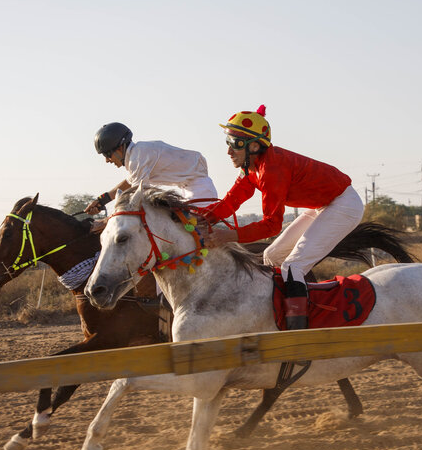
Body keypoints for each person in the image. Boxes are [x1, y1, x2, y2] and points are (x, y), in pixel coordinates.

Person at [202, 105, 365, 330]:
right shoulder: (251, 167)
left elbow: (271, 225)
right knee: (272, 255)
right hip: (323, 205)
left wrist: (227, 236)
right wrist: (196, 219)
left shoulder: (271, 169)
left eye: (235, 144)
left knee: (293, 266)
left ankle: (298, 331)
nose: (229, 151)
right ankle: (278, 313)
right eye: (228, 142)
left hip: (343, 205)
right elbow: (229, 203)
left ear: (255, 146)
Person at [85, 122, 218, 217]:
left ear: (119, 148)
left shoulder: (138, 157)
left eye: (107, 154)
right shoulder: (138, 154)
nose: (107, 160)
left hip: (200, 190)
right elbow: (129, 183)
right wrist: (101, 200)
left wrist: (109, 220)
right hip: (190, 189)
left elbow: (136, 196)